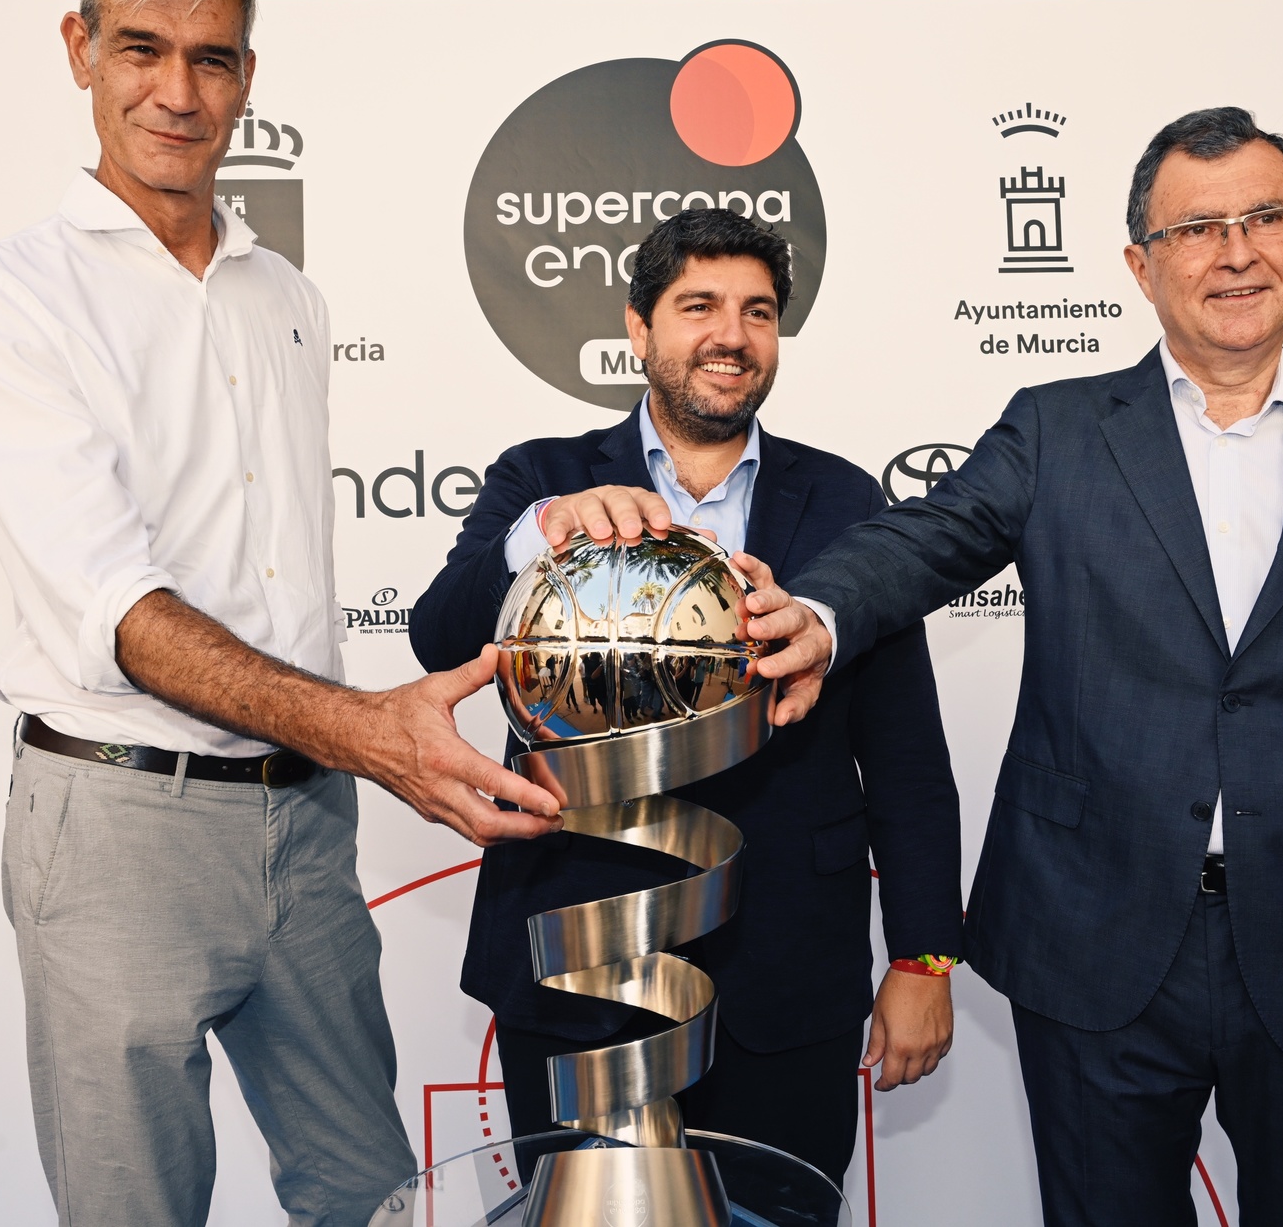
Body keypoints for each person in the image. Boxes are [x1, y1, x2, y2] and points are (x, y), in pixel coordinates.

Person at [741, 109, 1283, 1224]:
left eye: (1263, 217)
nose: (1235, 250)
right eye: (1197, 227)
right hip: (1095, 945)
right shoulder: (1057, 430)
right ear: (1138, 266)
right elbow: (932, 533)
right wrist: (820, 610)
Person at [0, 0, 561, 1227]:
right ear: (79, 49)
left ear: (249, 77)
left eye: (213, 58)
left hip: (303, 828)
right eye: (141, 49)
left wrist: (342, 755)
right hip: (119, 829)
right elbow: (120, 612)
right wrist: (371, 735)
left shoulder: (286, 294)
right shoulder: (10, 301)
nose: (178, 90)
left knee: (373, 1197)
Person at [409, 208, 964, 1182]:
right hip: (579, 963)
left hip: (789, 974)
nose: (730, 335)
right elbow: (441, 634)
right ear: (637, 327)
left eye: (756, 312)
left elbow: (906, 754)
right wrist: (542, 533)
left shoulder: (843, 503)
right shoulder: (539, 480)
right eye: (697, 305)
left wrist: (921, 960)